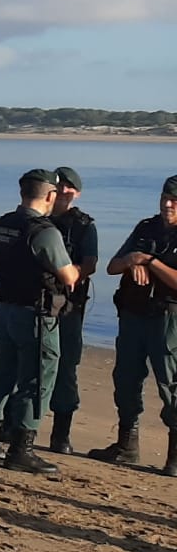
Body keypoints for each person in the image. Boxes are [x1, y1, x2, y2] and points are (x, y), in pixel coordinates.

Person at [0, 169, 81, 476]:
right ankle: (22, 448)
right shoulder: (43, 231)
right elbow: (68, 274)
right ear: (50, 196)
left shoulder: (3, 224)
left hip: (5, 309)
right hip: (36, 315)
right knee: (37, 381)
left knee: (1, 375)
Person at [88, 175, 177, 476]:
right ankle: (127, 445)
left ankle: (174, 457)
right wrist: (132, 261)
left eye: (174, 201)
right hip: (133, 315)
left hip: (168, 320)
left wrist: (150, 262)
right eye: (165, 197)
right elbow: (113, 266)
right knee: (126, 380)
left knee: (171, 386)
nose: (167, 204)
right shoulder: (145, 228)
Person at [46, 167, 97, 453]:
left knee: (66, 368)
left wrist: (71, 273)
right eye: (60, 186)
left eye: (69, 188)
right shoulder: (37, 219)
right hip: (34, 303)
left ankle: (60, 434)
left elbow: (90, 263)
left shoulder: (84, 225)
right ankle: (14, 425)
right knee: (24, 365)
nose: (64, 191)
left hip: (68, 307)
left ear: (76, 193)